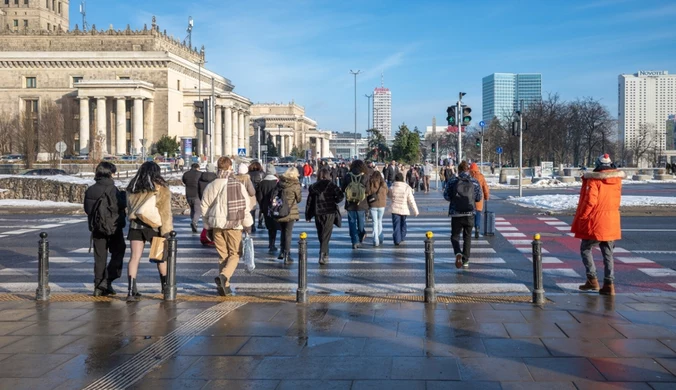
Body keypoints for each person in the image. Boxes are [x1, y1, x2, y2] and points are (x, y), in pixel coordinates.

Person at [571, 154, 625, 296]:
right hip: (612, 219)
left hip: (596, 220)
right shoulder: (617, 180)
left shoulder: (594, 181)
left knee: (586, 248)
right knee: (608, 252)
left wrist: (583, 216)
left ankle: (592, 279)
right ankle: (609, 284)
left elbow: (590, 201)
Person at [201, 157, 250, 296]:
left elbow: (204, 207)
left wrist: (207, 226)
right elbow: (244, 207)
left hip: (216, 225)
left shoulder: (211, 185)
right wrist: (247, 224)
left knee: (223, 255)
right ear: (229, 167)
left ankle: (224, 287)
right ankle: (224, 277)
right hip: (233, 225)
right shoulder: (237, 184)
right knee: (235, 254)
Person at [126, 161, 173, 302]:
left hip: (135, 225)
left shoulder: (132, 187)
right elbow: (165, 212)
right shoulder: (160, 188)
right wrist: (167, 231)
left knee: (134, 258)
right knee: (160, 258)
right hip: (154, 227)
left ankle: (131, 290)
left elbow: (129, 207)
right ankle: (165, 288)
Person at [83, 161, 126, 296]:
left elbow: (87, 209)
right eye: (113, 172)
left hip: (97, 228)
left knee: (100, 257)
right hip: (114, 228)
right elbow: (120, 206)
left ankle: (98, 286)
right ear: (109, 173)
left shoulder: (91, 189)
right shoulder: (114, 189)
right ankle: (107, 281)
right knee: (119, 251)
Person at [444, 161, 482, 269]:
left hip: (456, 213)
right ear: (468, 170)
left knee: (455, 236)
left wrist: (455, 199)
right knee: (467, 237)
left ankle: (457, 253)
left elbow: (446, 195)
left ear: (459, 170)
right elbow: (479, 197)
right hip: (470, 213)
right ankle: (465, 261)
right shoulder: (474, 182)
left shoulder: (452, 181)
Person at [306, 168, 344, 265]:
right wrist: (334, 201)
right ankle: (322, 254)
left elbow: (309, 202)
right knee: (326, 234)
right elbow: (340, 196)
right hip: (329, 211)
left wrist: (308, 215)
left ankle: (325, 252)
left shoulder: (314, 187)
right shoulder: (331, 185)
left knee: (321, 233)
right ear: (328, 175)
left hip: (318, 213)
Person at [275, 167, 302, 263]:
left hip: (280, 211)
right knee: (288, 233)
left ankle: (282, 252)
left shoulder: (280, 183)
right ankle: (287, 254)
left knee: (283, 232)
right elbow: (299, 199)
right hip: (290, 211)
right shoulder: (295, 184)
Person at [342, 160, 369, 249]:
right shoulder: (365, 177)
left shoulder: (347, 176)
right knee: (361, 223)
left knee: (352, 223)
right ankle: (361, 234)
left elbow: (343, 188)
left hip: (350, 204)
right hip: (361, 203)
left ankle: (354, 241)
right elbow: (368, 190)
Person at [388, 172, 419, 246]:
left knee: (396, 224)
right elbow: (411, 200)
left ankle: (397, 240)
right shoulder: (407, 187)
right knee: (403, 223)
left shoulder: (392, 187)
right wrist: (415, 210)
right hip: (404, 208)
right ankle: (402, 236)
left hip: (395, 208)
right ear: (403, 179)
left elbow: (389, 196)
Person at [257, 164, 280, 253]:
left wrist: (262, 206)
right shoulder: (277, 182)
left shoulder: (262, 183)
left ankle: (271, 243)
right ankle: (273, 244)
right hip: (275, 207)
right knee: (275, 225)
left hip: (266, 207)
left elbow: (259, 197)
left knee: (269, 226)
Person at [366, 168, 388, 247]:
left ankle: (376, 239)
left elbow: (367, 192)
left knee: (374, 222)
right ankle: (381, 237)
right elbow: (387, 192)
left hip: (373, 204)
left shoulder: (370, 183)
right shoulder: (383, 184)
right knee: (380, 221)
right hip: (382, 205)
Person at [469, 162, 490, 239]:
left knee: (470, 214)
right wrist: (487, 197)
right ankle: (477, 227)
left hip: (470, 199)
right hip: (479, 199)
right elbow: (485, 188)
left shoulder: (469, 176)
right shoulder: (481, 177)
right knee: (478, 213)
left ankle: (469, 228)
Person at [182, 163, 202, 233]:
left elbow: (184, 181)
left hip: (188, 194)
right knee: (198, 210)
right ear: (198, 168)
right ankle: (194, 222)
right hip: (196, 194)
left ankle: (194, 223)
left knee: (192, 209)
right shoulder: (200, 174)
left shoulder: (186, 174)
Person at [248, 161, 265, 231]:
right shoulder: (262, 174)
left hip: (251, 192)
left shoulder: (248, 174)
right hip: (260, 192)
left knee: (252, 209)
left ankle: (252, 225)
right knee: (262, 208)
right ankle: (260, 223)